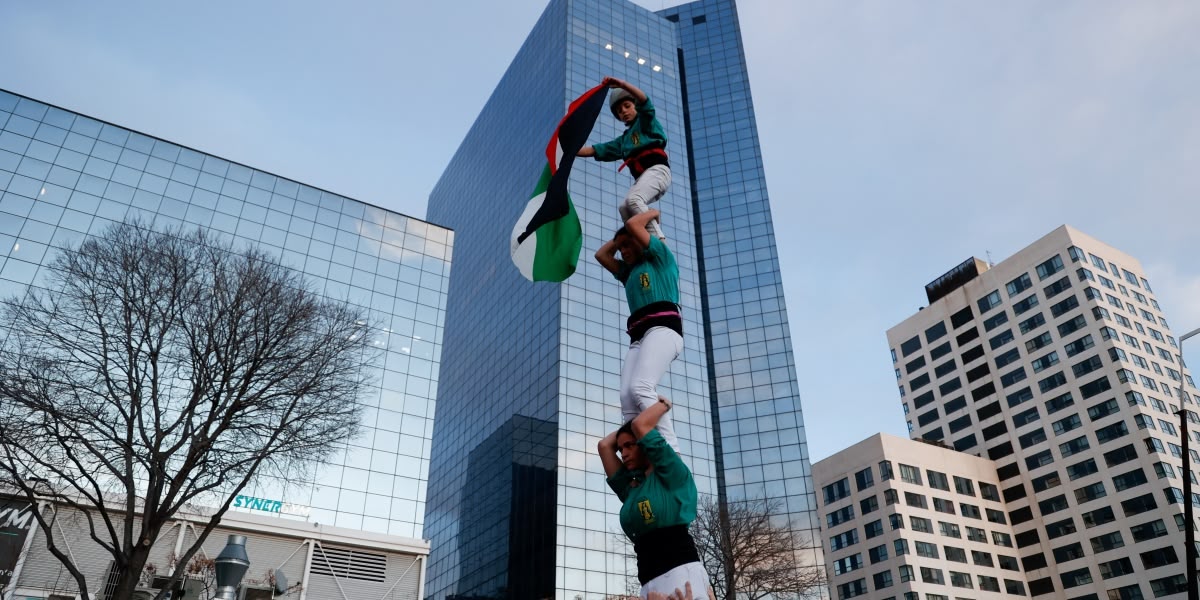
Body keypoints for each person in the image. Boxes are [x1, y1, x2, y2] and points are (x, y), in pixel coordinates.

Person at [598, 397, 713, 600]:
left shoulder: (672, 472)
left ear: (645, 444)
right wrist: (629, 429)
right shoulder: (633, 488)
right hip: (648, 579)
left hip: (679, 570)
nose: (623, 453)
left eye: (629, 446)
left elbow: (640, 425)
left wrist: (663, 406)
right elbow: (605, 446)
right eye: (621, 447)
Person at [595, 209, 681, 449]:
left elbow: (634, 223)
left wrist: (652, 213)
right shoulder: (628, 273)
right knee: (627, 398)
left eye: (627, 246)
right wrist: (620, 239)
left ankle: (671, 449)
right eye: (620, 248)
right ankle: (639, 451)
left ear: (641, 242)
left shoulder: (660, 259)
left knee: (641, 387)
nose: (622, 252)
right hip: (639, 339)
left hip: (664, 329)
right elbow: (601, 254)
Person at [578, 76, 670, 240]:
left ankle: (658, 241)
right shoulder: (624, 141)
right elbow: (594, 150)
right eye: (620, 111)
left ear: (635, 105)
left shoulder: (645, 123)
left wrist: (622, 85)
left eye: (627, 106)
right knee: (624, 208)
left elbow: (644, 100)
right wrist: (570, 151)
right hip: (645, 177)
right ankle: (641, 243)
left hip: (657, 171)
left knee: (634, 200)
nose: (624, 112)